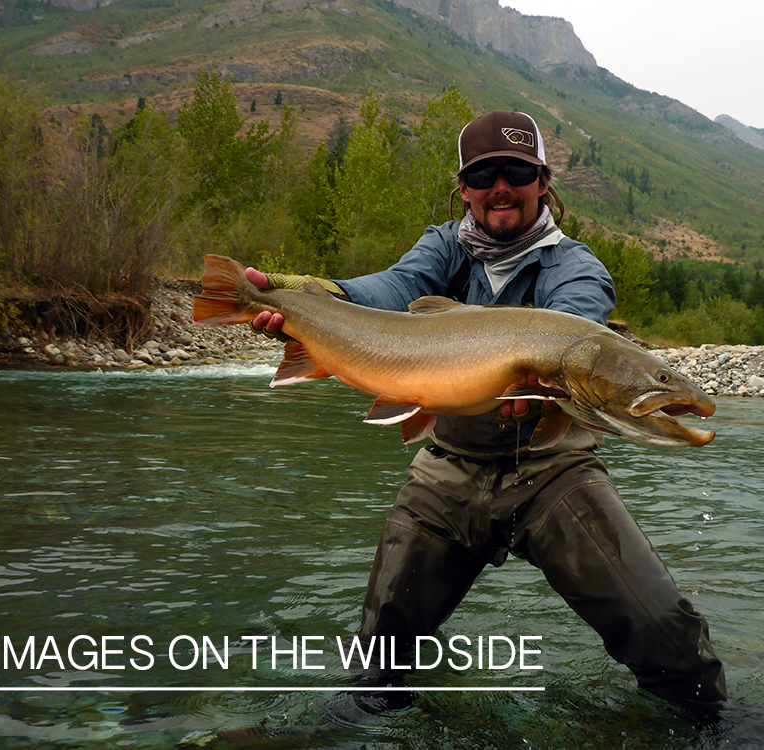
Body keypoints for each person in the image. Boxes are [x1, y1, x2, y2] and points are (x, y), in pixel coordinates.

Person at [246, 110, 727, 713]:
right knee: (375, 668)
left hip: (552, 474)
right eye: (484, 175)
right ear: (464, 187)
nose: (501, 187)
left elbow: (579, 329)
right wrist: (321, 296)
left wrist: (552, 383)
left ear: (543, 182)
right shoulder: (442, 245)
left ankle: (715, 728)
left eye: (517, 172)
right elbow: (392, 290)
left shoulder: (576, 269)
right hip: (446, 471)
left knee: (670, 644)